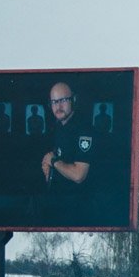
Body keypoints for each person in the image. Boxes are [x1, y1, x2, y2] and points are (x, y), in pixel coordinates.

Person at [41, 81, 94, 224]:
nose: (58, 107)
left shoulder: (84, 129)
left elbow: (78, 175)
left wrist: (53, 161)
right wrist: (48, 169)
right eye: (54, 102)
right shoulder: (58, 127)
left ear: (73, 100)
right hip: (60, 206)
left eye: (63, 100)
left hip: (81, 210)